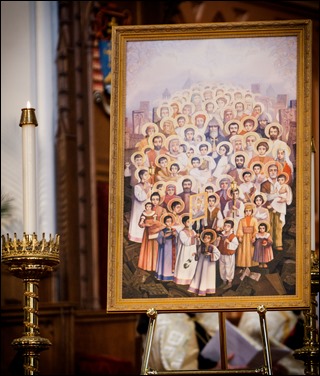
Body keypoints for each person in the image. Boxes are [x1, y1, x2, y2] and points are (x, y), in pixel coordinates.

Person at [188, 229, 221, 296]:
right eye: (205, 237)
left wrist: (211, 255)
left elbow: (218, 255)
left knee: (207, 276)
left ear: (211, 239)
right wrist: (196, 254)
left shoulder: (213, 247)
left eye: (208, 238)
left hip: (209, 265)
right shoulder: (201, 246)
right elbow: (199, 254)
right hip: (201, 263)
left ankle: (206, 290)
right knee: (199, 275)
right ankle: (197, 289)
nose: (206, 239)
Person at [174, 214, 199, 285]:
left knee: (192, 265)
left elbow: (196, 242)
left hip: (192, 251)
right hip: (185, 252)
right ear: (184, 223)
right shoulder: (182, 232)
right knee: (184, 264)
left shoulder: (193, 231)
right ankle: (182, 281)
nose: (190, 223)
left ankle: (190, 280)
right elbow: (185, 242)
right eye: (188, 221)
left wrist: (197, 238)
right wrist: (194, 237)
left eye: (191, 221)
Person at [216, 218, 239, 289]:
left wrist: (229, 242)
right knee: (222, 268)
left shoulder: (232, 236)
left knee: (229, 268)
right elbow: (217, 245)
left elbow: (235, 245)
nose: (226, 227)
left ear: (231, 228)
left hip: (229, 255)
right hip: (222, 254)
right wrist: (218, 241)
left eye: (228, 226)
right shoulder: (221, 235)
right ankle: (224, 281)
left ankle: (229, 282)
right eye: (225, 226)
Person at [236, 202, 259, 269]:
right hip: (244, 238)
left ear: (252, 212)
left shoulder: (254, 220)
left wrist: (254, 237)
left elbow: (256, 229)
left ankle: (250, 265)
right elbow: (239, 229)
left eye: (249, 211)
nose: (248, 212)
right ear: (244, 212)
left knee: (251, 251)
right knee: (243, 251)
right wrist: (240, 236)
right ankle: (243, 265)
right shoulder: (241, 220)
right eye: (246, 211)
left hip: (251, 238)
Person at [155, 214, 177, 281]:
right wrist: (168, 235)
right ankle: (164, 275)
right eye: (167, 221)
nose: (169, 223)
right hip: (165, 248)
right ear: (165, 222)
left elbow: (178, 238)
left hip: (173, 247)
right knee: (166, 261)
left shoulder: (174, 230)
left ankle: (172, 276)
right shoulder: (162, 230)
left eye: (170, 221)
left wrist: (175, 235)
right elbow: (160, 239)